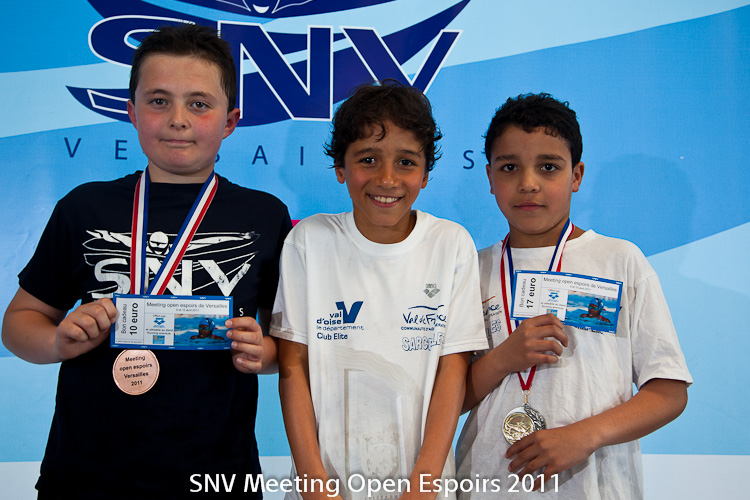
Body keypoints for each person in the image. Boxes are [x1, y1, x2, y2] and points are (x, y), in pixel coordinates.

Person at [1, 24, 291, 498]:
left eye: (199, 104)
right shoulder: (84, 207)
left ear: (230, 121)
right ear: (132, 113)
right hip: (86, 475)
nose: (178, 119)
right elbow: (18, 322)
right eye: (159, 101)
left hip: (217, 473)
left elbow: (288, 345)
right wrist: (56, 341)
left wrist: (266, 354)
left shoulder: (264, 215)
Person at [455, 93, 692, 499]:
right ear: (490, 178)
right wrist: (504, 358)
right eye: (510, 167)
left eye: (548, 167)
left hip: (595, 485)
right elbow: (450, 400)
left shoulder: (619, 260)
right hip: (487, 482)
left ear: (577, 176)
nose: (528, 183)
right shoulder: (469, 270)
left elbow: (669, 391)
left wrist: (585, 435)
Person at [270, 80, 488, 500]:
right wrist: (313, 482)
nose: (387, 179)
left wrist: (425, 482)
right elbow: (292, 366)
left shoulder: (450, 244)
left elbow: (453, 370)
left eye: (406, 162)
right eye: (368, 159)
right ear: (341, 168)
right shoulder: (309, 240)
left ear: (425, 174)